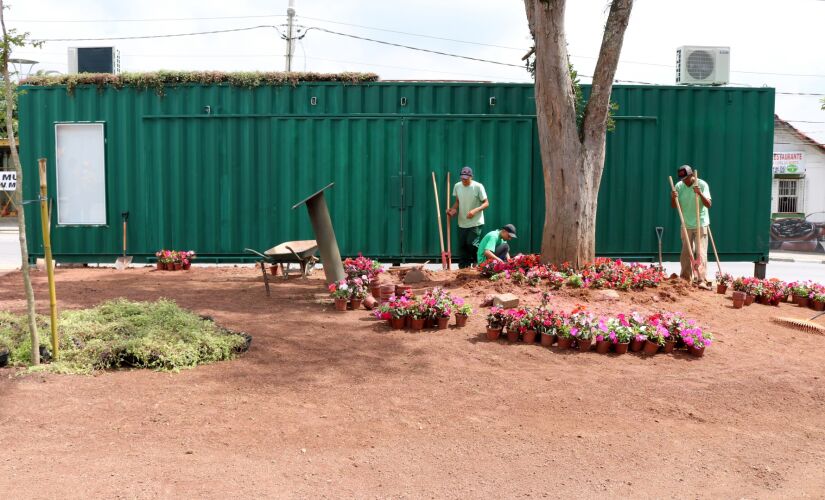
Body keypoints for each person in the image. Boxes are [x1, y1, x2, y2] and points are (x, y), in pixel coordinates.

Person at [671, 165, 712, 286]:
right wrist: (673, 197)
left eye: (686, 178)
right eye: (682, 179)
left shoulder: (702, 184)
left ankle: (701, 279)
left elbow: (709, 204)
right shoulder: (679, 186)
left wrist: (699, 193)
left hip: (701, 223)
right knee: (685, 252)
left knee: (700, 252)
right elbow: (674, 205)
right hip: (686, 224)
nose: (684, 181)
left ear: (692, 175)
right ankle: (685, 278)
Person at [446, 166, 489, 268]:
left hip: (475, 222)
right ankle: (463, 268)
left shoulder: (478, 186)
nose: (464, 180)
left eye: (466, 178)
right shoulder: (457, 186)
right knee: (463, 246)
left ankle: (477, 262)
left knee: (472, 243)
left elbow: (486, 203)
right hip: (462, 222)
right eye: (462, 178)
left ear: (471, 177)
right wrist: (453, 210)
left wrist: (475, 210)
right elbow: (457, 202)